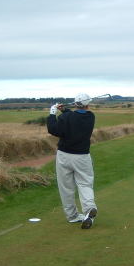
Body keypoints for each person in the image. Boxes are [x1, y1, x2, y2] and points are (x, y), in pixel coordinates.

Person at [47, 93, 98, 229]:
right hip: (82, 157)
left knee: (66, 187)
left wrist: (52, 114)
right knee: (85, 184)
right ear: (88, 104)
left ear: (75, 104)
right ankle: (89, 208)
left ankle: (72, 216)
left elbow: (53, 129)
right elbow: (76, 117)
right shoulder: (90, 117)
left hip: (64, 156)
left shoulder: (66, 117)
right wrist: (64, 110)